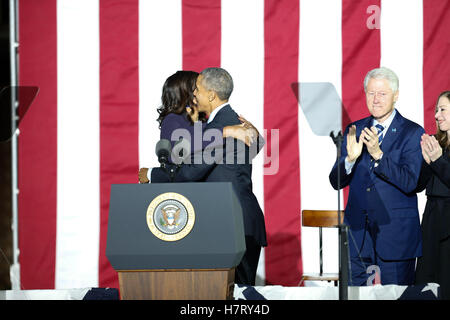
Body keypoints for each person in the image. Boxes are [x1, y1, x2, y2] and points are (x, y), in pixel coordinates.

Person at [141, 67, 267, 285]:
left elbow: (190, 173)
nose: (194, 94)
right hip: (241, 222)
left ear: (211, 95)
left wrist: (153, 174)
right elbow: (251, 149)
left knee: (230, 294)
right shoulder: (232, 123)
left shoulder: (223, 127)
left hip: (232, 224)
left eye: (197, 89)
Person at [329, 67, 425, 286]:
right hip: (358, 234)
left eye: (382, 93)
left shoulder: (413, 132)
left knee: (396, 295)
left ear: (396, 96)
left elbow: (410, 182)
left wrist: (379, 156)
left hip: (395, 234)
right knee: (355, 295)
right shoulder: (355, 129)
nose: (376, 99)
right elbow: (335, 181)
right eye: (371, 93)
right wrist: (350, 160)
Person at [138, 70, 261, 183]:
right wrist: (226, 131)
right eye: (195, 88)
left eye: (198, 89)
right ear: (186, 93)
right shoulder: (173, 119)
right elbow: (179, 153)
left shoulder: (214, 121)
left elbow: (241, 150)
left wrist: (255, 135)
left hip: (216, 196)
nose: (196, 93)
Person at [415, 91, 450, 299]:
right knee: (425, 284)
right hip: (431, 221)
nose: (437, 115)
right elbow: (419, 186)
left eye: (443, 109)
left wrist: (438, 161)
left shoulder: (438, 152)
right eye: (437, 110)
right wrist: (428, 163)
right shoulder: (436, 144)